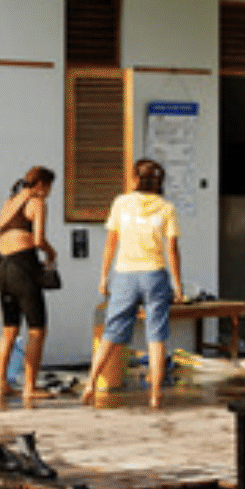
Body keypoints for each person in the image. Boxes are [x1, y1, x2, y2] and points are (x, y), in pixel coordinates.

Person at [83, 159, 182, 410]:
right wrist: (178, 285)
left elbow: (110, 244)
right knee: (156, 337)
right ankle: (156, 394)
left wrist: (103, 277)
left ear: (135, 179)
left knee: (110, 334)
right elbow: (172, 250)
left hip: (125, 275)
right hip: (154, 275)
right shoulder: (166, 208)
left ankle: (91, 384)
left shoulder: (120, 203)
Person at [0, 167, 58, 406]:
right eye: (49, 187)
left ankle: (1, 384)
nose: (49, 193)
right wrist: (52, 253)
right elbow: (38, 240)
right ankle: (29, 387)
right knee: (37, 330)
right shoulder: (36, 202)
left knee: (9, 329)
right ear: (41, 185)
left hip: (1, 267)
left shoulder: (9, 203)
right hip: (22, 266)